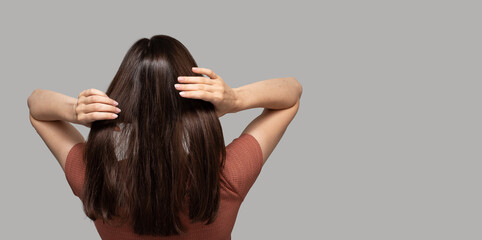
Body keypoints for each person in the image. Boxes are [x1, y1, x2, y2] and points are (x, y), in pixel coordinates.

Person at [27, 34, 302, 239]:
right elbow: (291, 94)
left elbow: (36, 107)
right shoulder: (226, 177)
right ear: (192, 107)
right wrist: (235, 99)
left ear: (125, 103)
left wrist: (76, 110)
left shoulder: (97, 180)